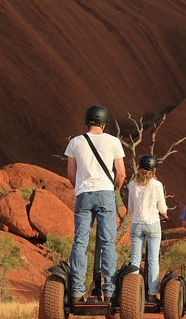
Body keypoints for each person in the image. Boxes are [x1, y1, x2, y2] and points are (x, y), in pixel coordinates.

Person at [65, 105, 126, 304]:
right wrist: (113, 188)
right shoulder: (113, 141)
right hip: (106, 193)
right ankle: (109, 292)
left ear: (87, 121)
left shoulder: (75, 142)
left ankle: (76, 291)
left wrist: (81, 187)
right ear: (104, 123)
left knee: (80, 242)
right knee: (108, 242)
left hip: (84, 194)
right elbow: (121, 173)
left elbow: (71, 174)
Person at [128, 154, 169, 303]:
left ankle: (132, 294)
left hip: (137, 224)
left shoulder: (132, 184)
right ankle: (152, 294)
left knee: (135, 259)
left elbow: (131, 208)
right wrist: (164, 215)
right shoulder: (157, 185)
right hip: (152, 224)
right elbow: (162, 207)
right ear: (154, 169)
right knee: (152, 259)